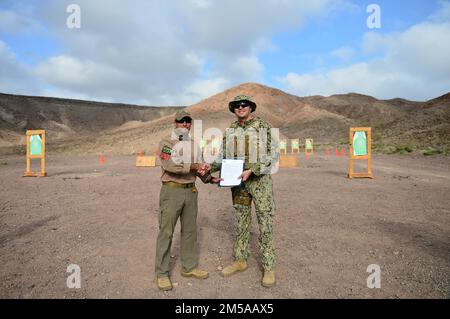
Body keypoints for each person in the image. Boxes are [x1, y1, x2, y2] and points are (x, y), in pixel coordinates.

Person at [210, 95, 277, 287]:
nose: (240, 108)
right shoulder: (230, 130)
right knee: (241, 221)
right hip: (239, 183)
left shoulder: (262, 126)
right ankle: (240, 260)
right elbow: (223, 155)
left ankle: (269, 266)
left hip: (259, 182)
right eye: (237, 106)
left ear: (250, 108)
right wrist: (207, 168)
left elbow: (273, 154)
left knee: (265, 223)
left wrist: (253, 170)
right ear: (233, 109)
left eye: (244, 105)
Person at [155, 110, 220, 291]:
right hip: (172, 191)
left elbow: (200, 167)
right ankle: (161, 273)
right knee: (166, 232)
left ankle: (189, 268)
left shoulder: (194, 144)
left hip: (190, 191)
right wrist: (193, 166)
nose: (184, 124)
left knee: (190, 231)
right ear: (175, 123)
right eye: (181, 121)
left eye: (187, 121)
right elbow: (169, 165)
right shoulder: (167, 142)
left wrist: (209, 178)